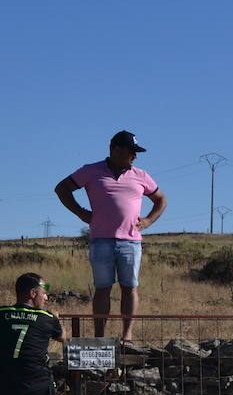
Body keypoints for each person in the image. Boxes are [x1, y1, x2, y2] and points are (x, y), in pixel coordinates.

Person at [54, 131, 166, 344]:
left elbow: (161, 199)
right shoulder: (91, 171)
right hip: (101, 240)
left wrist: (149, 221)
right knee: (102, 288)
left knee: (129, 286)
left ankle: (127, 337)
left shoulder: (141, 175)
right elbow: (62, 189)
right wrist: (81, 212)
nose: (135, 156)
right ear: (116, 150)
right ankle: (100, 337)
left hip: (131, 241)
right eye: (132, 151)